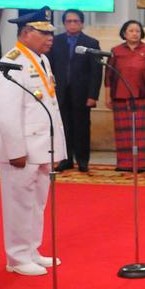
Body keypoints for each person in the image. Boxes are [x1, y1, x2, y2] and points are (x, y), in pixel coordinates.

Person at [0, 7, 66, 277]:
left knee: (37, 203)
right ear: (25, 33)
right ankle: (17, 257)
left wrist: (56, 148)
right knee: (19, 203)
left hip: (41, 146)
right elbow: (6, 112)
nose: (50, 38)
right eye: (43, 33)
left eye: (50, 33)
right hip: (22, 148)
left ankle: (32, 250)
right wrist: (16, 150)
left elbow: (50, 106)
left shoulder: (41, 59)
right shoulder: (10, 62)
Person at [49, 9, 102, 173]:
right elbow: (49, 67)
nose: (72, 24)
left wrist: (93, 95)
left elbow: (96, 72)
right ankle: (66, 160)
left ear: (82, 23)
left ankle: (82, 161)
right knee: (63, 128)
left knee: (82, 128)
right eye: (69, 21)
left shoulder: (91, 43)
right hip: (60, 93)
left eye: (76, 21)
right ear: (64, 24)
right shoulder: (55, 41)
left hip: (82, 93)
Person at [106, 20, 145, 172]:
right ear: (124, 33)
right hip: (120, 97)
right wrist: (107, 96)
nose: (134, 34)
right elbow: (108, 75)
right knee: (124, 133)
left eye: (137, 31)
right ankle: (125, 163)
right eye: (131, 31)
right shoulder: (115, 51)